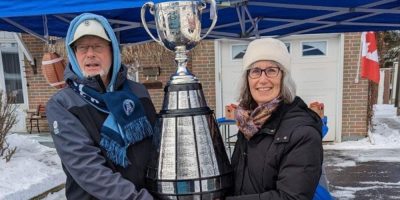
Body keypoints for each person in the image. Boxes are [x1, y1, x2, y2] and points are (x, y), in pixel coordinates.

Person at [46, 13, 156, 200]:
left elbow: (157, 146)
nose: (90, 54)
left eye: (97, 46)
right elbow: (89, 169)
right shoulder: (62, 105)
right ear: (74, 54)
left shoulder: (138, 93)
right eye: (82, 48)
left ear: (112, 50)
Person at [227, 38, 323, 199]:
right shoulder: (247, 124)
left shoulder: (302, 132)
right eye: (255, 71)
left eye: (272, 70)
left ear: (283, 77)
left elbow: (292, 197)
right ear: (247, 79)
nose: (263, 79)